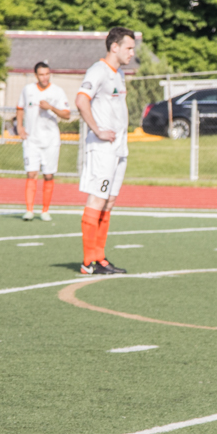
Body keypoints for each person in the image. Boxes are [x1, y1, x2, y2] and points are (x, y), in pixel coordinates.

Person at [75, 27, 136, 275]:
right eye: (129, 47)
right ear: (115, 47)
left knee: (109, 201)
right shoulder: (98, 70)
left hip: (119, 149)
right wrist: (98, 130)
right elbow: (81, 100)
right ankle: (88, 261)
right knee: (98, 199)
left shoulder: (118, 73)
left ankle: (100, 258)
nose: (132, 53)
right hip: (102, 150)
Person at [16, 62, 71, 221]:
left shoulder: (57, 92)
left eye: (47, 74)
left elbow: (67, 115)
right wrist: (20, 126)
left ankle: (45, 210)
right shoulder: (28, 90)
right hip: (32, 140)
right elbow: (20, 108)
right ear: (36, 75)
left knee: (48, 175)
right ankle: (29, 210)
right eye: (41, 74)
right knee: (31, 173)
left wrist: (51, 107)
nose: (44, 77)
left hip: (51, 140)